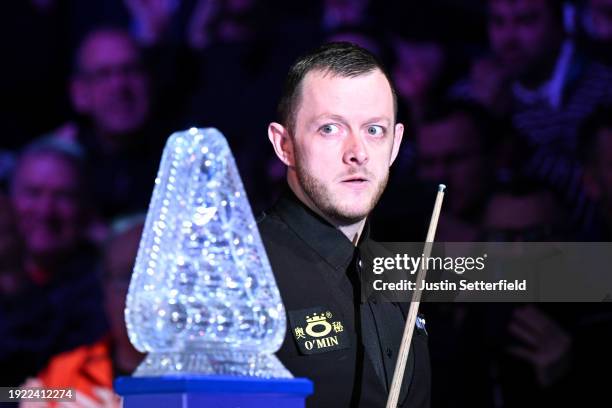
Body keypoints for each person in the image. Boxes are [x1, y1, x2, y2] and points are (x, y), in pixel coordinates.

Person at [259, 42, 430, 407]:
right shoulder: (242, 270)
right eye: (330, 129)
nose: (358, 152)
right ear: (284, 144)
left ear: (396, 145)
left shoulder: (400, 275)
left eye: (374, 130)